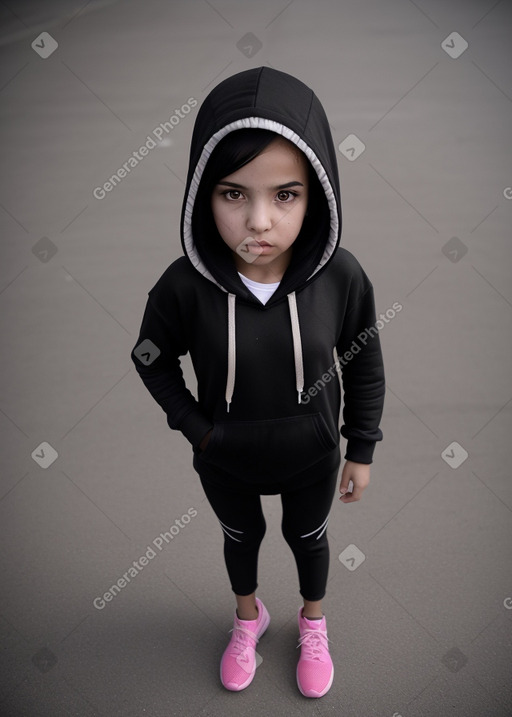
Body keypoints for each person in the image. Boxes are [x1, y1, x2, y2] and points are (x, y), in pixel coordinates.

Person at [130, 66, 385, 699]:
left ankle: (313, 622)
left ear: (317, 194)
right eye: (234, 194)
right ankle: (249, 618)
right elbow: (148, 357)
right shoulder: (183, 286)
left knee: (309, 538)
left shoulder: (342, 277)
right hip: (227, 460)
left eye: (286, 195)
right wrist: (198, 430)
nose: (260, 222)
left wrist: (361, 446)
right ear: (202, 194)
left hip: (313, 456)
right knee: (240, 539)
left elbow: (364, 362)